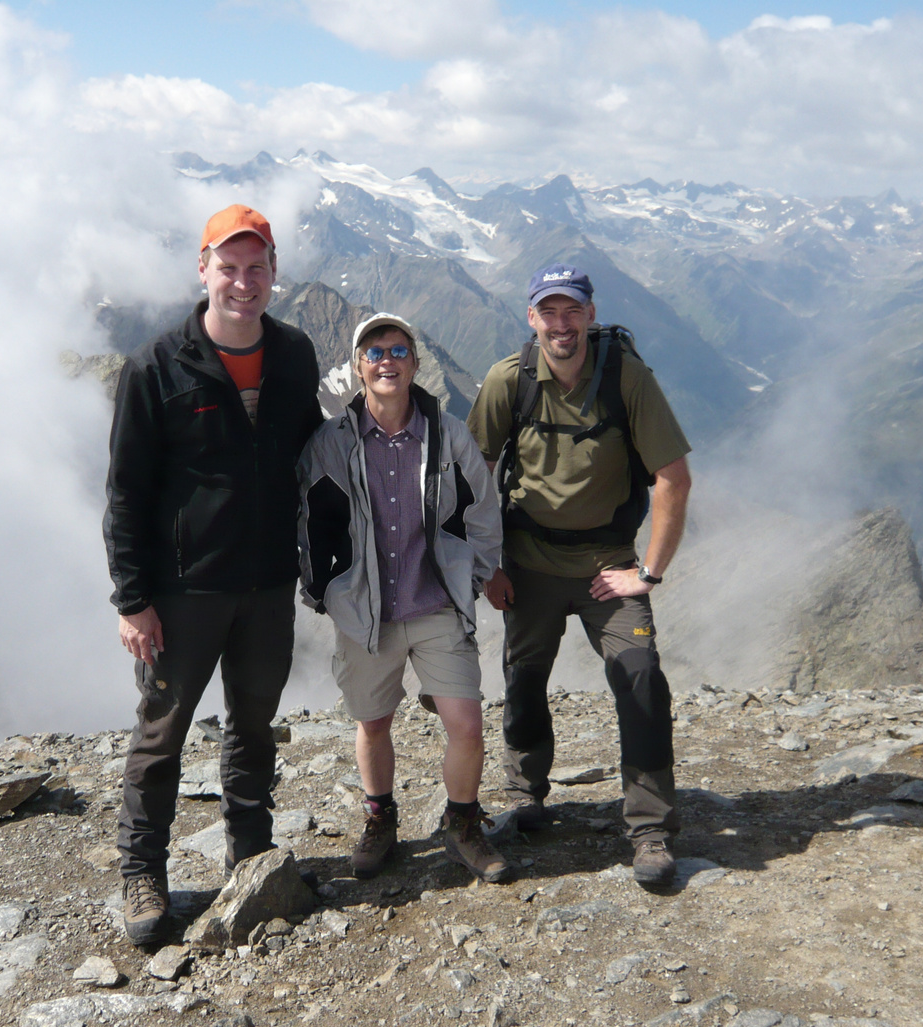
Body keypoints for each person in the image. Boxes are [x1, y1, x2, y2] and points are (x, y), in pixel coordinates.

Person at [104, 205, 323, 944]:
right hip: (181, 590)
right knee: (161, 734)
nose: (242, 281)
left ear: (273, 275)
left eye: (256, 267)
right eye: (228, 266)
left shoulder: (294, 354)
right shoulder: (155, 367)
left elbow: (310, 459)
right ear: (203, 270)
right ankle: (142, 873)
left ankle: (250, 854)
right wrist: (133, 600)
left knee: (254, 725)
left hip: (266, 585)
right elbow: (126, 493)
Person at [466, 264, 692, 888]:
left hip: (609, 564)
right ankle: (523, 793)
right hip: (528, 562)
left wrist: (647, 572)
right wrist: (488, 566)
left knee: (640, 676)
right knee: (524, 674)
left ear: (591, 316)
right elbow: (474, 475)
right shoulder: (507, 381)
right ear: (532, 318)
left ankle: (648, 828)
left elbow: (673, 477)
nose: (561, 324)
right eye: (549, 312)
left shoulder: (626, 378)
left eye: (573, 311)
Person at [298, 313, 510, 883]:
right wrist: (324, 590)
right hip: (367, 611)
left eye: (397, 350)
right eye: (373, 352)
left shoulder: (448, 434)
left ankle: (462, 822)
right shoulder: (332, 442)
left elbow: (483, 511)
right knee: (373, 723)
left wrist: (472, 578)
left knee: (466, 724)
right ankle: (380, 818)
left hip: (437, 604)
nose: (386, 360)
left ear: (415, 364)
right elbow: (310, 518)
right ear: (359, 368)